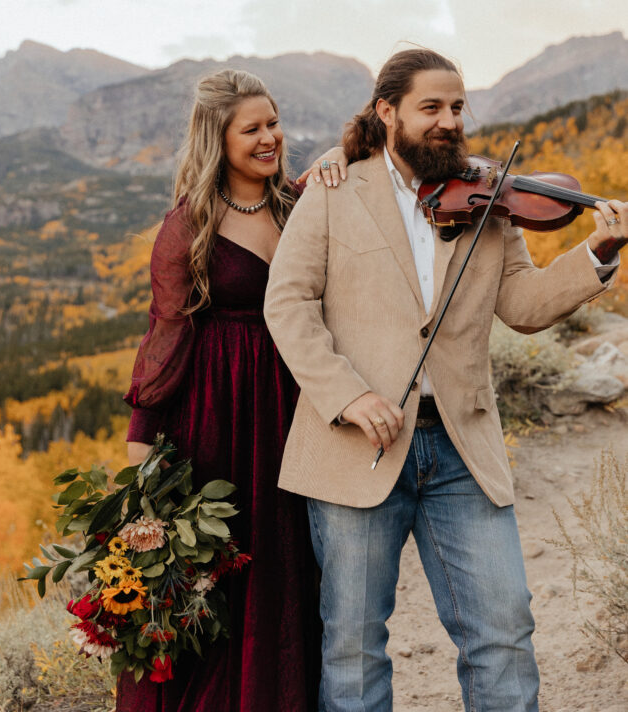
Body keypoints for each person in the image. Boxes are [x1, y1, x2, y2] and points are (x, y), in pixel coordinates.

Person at [264, 47, 626, 712]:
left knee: (503, 636)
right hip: (356, 448)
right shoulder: (334, 190)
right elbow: (286, 305)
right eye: (430, 107)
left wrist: (596, 253)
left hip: (461, 448)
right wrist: (348, 395)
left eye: (456, 107)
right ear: (386, 111)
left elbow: (521, 306)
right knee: (351, 646)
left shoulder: (487, 196)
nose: (447, 121)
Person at [118, 68, 346, 712]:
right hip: (213, 424)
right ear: (219, 139)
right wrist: (141, 473)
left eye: (274, 122)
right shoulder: (188, 225)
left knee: (289, 576)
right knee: (212, 581)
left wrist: (338, 154)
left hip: (292, 415)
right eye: (253, 128)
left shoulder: (296, 205)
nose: (270, 137)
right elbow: (162, 342)